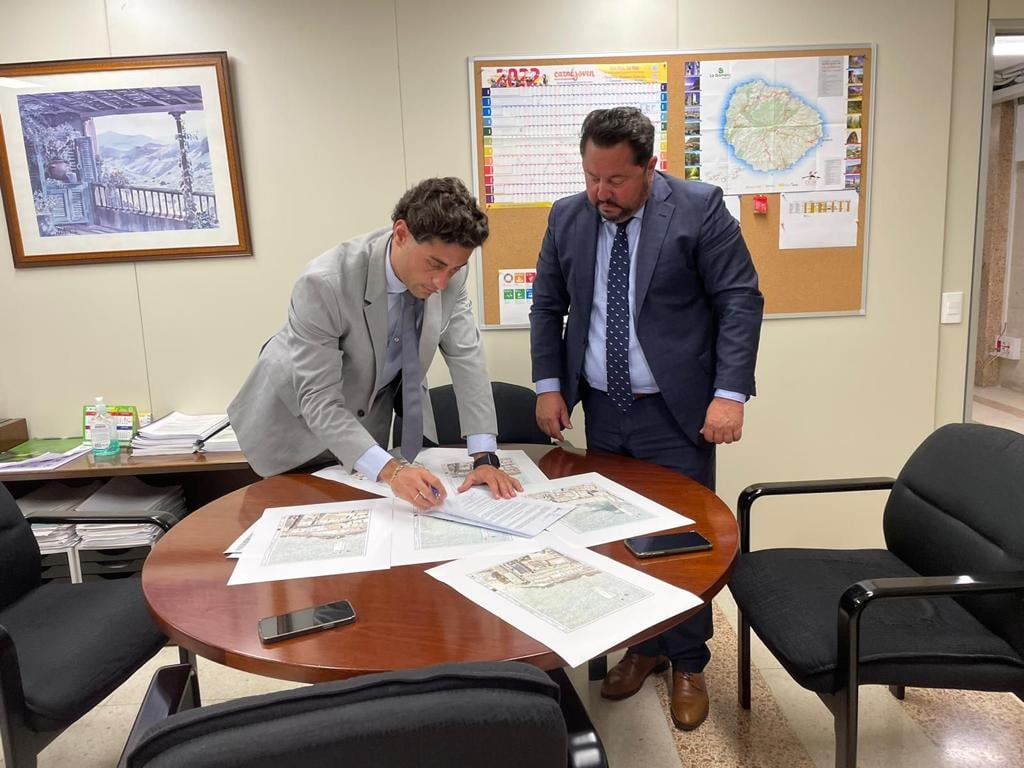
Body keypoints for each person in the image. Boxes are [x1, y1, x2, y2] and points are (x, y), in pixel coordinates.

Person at [529, 107, 763, 731]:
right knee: (613, 533)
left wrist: (730, 394)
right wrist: (550, 386)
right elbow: (547, 306)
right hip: (603, 407)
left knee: (682, 539)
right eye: (591, 177)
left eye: (615, 180)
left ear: (650, 167)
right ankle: (641, 646)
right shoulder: (567, 216)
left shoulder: (699, 209)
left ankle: (687, 661)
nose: (600, 192)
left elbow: (739, 300)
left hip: (675, 409)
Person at [229, 177, 522, 509]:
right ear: (401, 234)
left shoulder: (451, 277)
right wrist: (391, 471)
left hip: (364, 423)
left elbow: (467, 358)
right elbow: (317, 398)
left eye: (455, 269)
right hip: (291, 427)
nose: (442, 282)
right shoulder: (325, 283)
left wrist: (485, 457)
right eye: (435, 264)